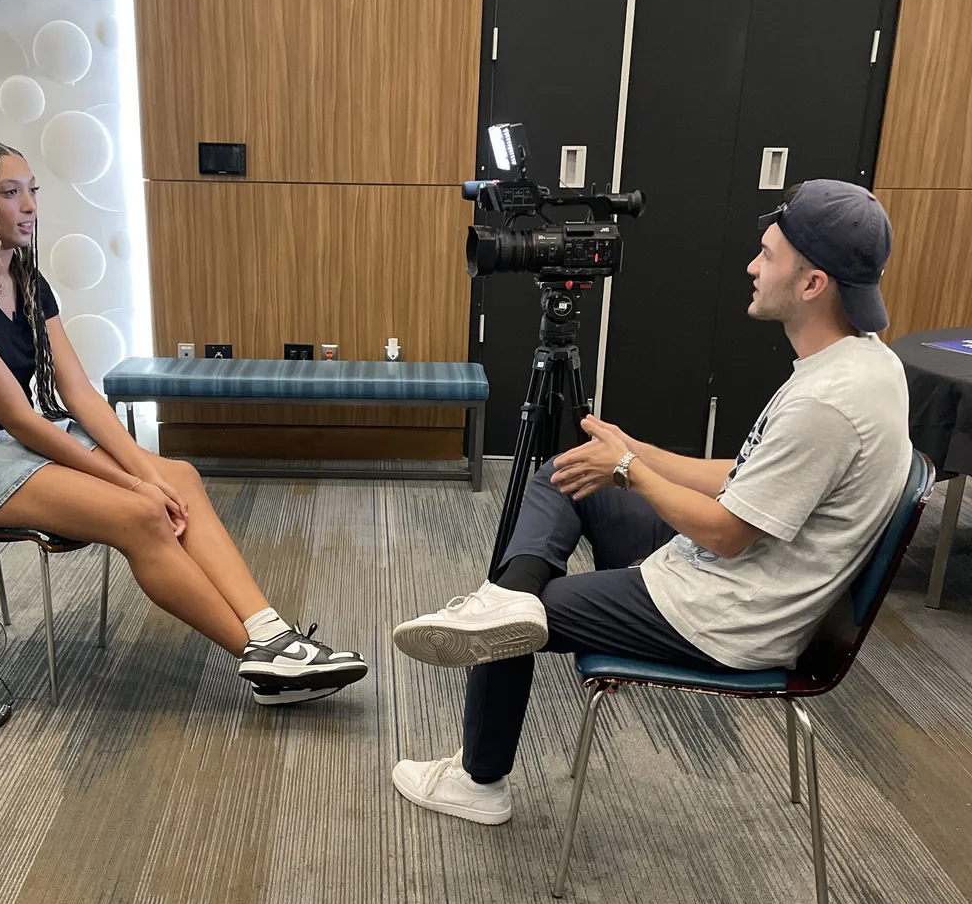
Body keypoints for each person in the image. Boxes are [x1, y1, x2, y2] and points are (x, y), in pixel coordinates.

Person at [390, 179, 910, 824]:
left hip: (726, 614)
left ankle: (479, 780)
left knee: (510, 628)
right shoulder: (864, 364)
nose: (752, 266)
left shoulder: (825, 405)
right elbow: (747, 476)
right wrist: (633, 452)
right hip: (733, 576)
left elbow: (727, 532)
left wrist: (631, 470)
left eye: (769, 255)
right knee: (566, 471)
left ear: (812, 284)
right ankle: (511, 593)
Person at [0, 140, 367, 706]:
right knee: (141, 512)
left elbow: (80, 394)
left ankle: (270, 634)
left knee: (179, 476)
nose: (29, 206)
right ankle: (263, 663)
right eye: (9, 193)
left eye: (32, 191)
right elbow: (18, 417)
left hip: (8, 446)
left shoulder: (27, 280)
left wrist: (147, 469)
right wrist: (133, 484)